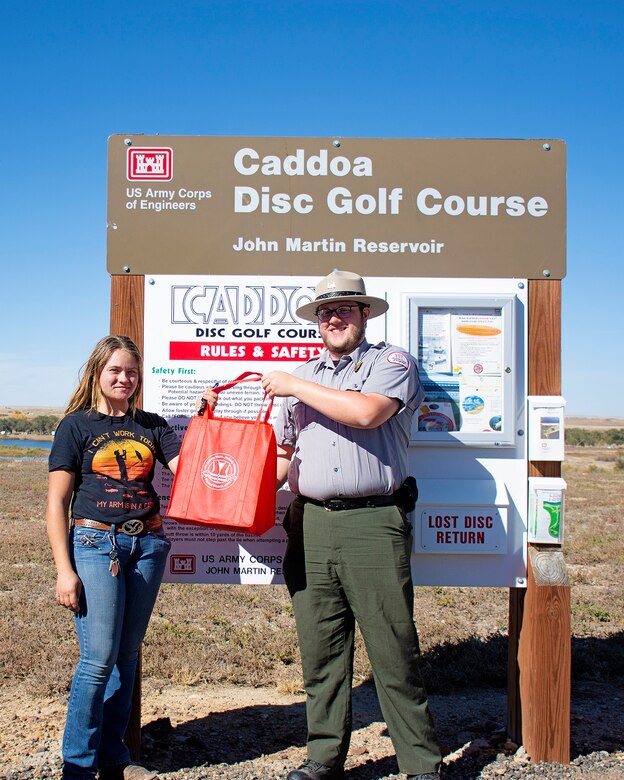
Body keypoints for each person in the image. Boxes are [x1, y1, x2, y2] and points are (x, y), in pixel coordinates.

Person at [262, 270, 442, 780]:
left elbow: (366, 414)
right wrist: (217, 477)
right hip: (311, 523)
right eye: (325, 312)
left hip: (373, 523)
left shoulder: (391, 363)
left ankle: (421, 764)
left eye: (345, 309)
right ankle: (324, 757)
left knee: (393, 651)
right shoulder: (302, 377)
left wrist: (295, 384)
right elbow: (281, 458)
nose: (334, 318)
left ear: (366, 314)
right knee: (320, 649)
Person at [47, 335, 216, 780]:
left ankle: (113, 760)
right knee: (98, 658)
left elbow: (190, 469)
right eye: (115, 371)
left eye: (132, 372)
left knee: (126, 656)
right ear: (97, 373)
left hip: (148, 546)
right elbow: (55, 504)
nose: (124, 378)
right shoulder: (76, 427)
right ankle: (77, 767)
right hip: (94, 544)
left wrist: (204, 417)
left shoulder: (152, 425)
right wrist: (64, 571)